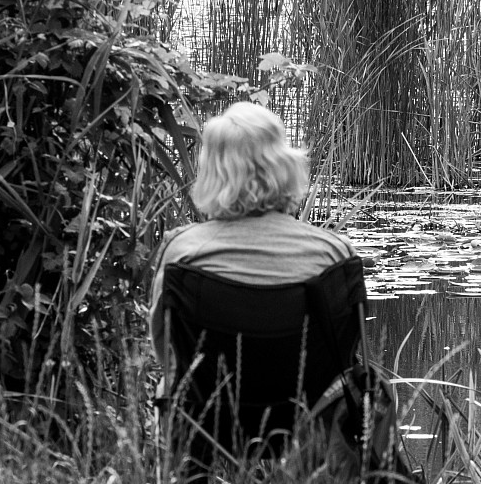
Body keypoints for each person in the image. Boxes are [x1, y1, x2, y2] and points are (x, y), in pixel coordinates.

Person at [149, 100, 356, 369]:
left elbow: (167, 355)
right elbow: (345, 354)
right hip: (310, 408)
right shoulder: (335, 254)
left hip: (204, 407)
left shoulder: (181, 253)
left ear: (212, 172)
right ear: (286, 165)